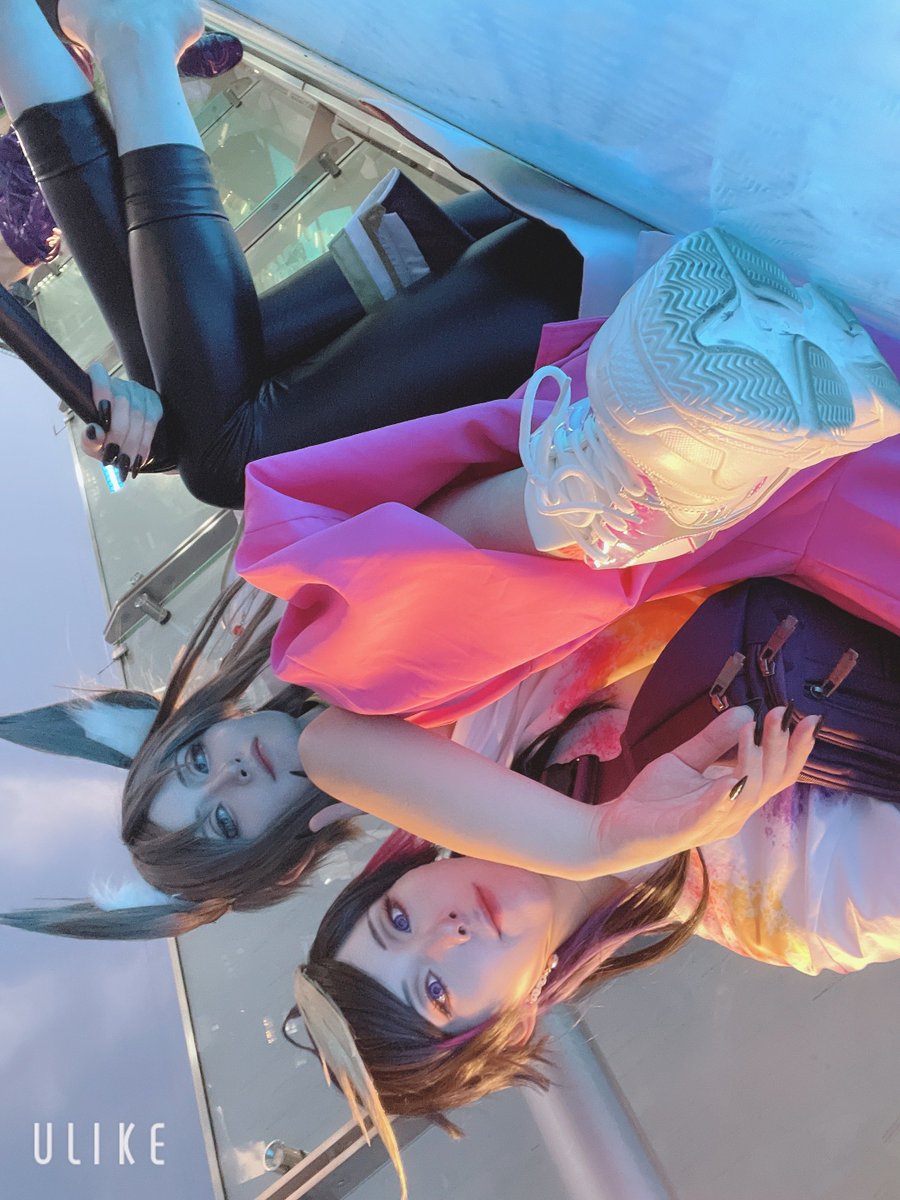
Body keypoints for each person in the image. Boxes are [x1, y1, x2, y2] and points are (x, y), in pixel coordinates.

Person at [1, 0, 582, 507]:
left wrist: (166, 434)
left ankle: (95, 31)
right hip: (593, 288)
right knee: (219, 455)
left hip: (574, 265)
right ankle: (98, 32)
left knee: (200, 431)